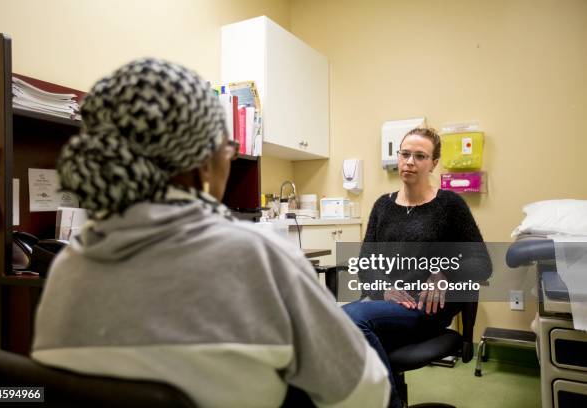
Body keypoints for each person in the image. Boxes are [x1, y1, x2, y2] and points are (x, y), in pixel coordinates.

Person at [30, 59, 390, 408]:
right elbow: (366, 393)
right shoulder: (258, 256)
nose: (230, 159)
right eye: (227, 147)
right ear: (203, 160)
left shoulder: (69, 264)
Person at [342, 127, 492, 408]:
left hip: (427, 307)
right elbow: (366, 264)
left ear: (434, 163)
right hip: (387, 305)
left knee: (348, 318)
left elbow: (482, 263)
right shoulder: (382, 206)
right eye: (405, 154)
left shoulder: (449, 204)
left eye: (420, 156)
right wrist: (384, 288)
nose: (410, 161)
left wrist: (445, 273)